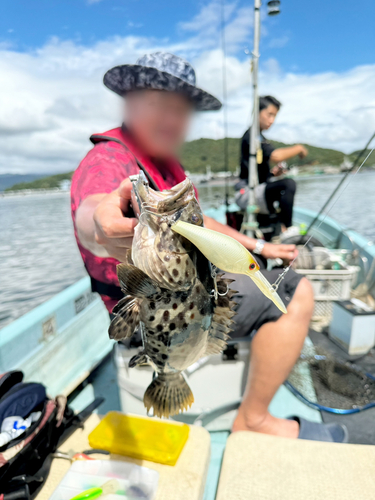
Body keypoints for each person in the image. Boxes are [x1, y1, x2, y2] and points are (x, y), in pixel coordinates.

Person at [71, 53, 347, 442]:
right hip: (150, 320)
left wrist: (260, 247)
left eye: (182, 110)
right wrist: (100, 226)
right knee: (294, 290)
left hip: (189, 301)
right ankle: (253, 420)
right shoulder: (107, 159)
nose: (172, 118)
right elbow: (90, 214)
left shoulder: (167, 165)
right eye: (158, 102)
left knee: (273, 276)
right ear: (129, 101)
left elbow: (205, 227)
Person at [240, 95, 308, 230]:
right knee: (289, 184)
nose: (272, 120)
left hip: (259, 189)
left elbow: (258, 171)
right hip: (247, 192)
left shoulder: (259, 137)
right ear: (257, 112)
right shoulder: (252, 136)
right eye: (269, 114)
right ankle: (287, 229)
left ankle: (280, 227)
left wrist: (272, 174)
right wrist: (299, 148)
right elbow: (276, 156)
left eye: (274, 116)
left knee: (284, 184)